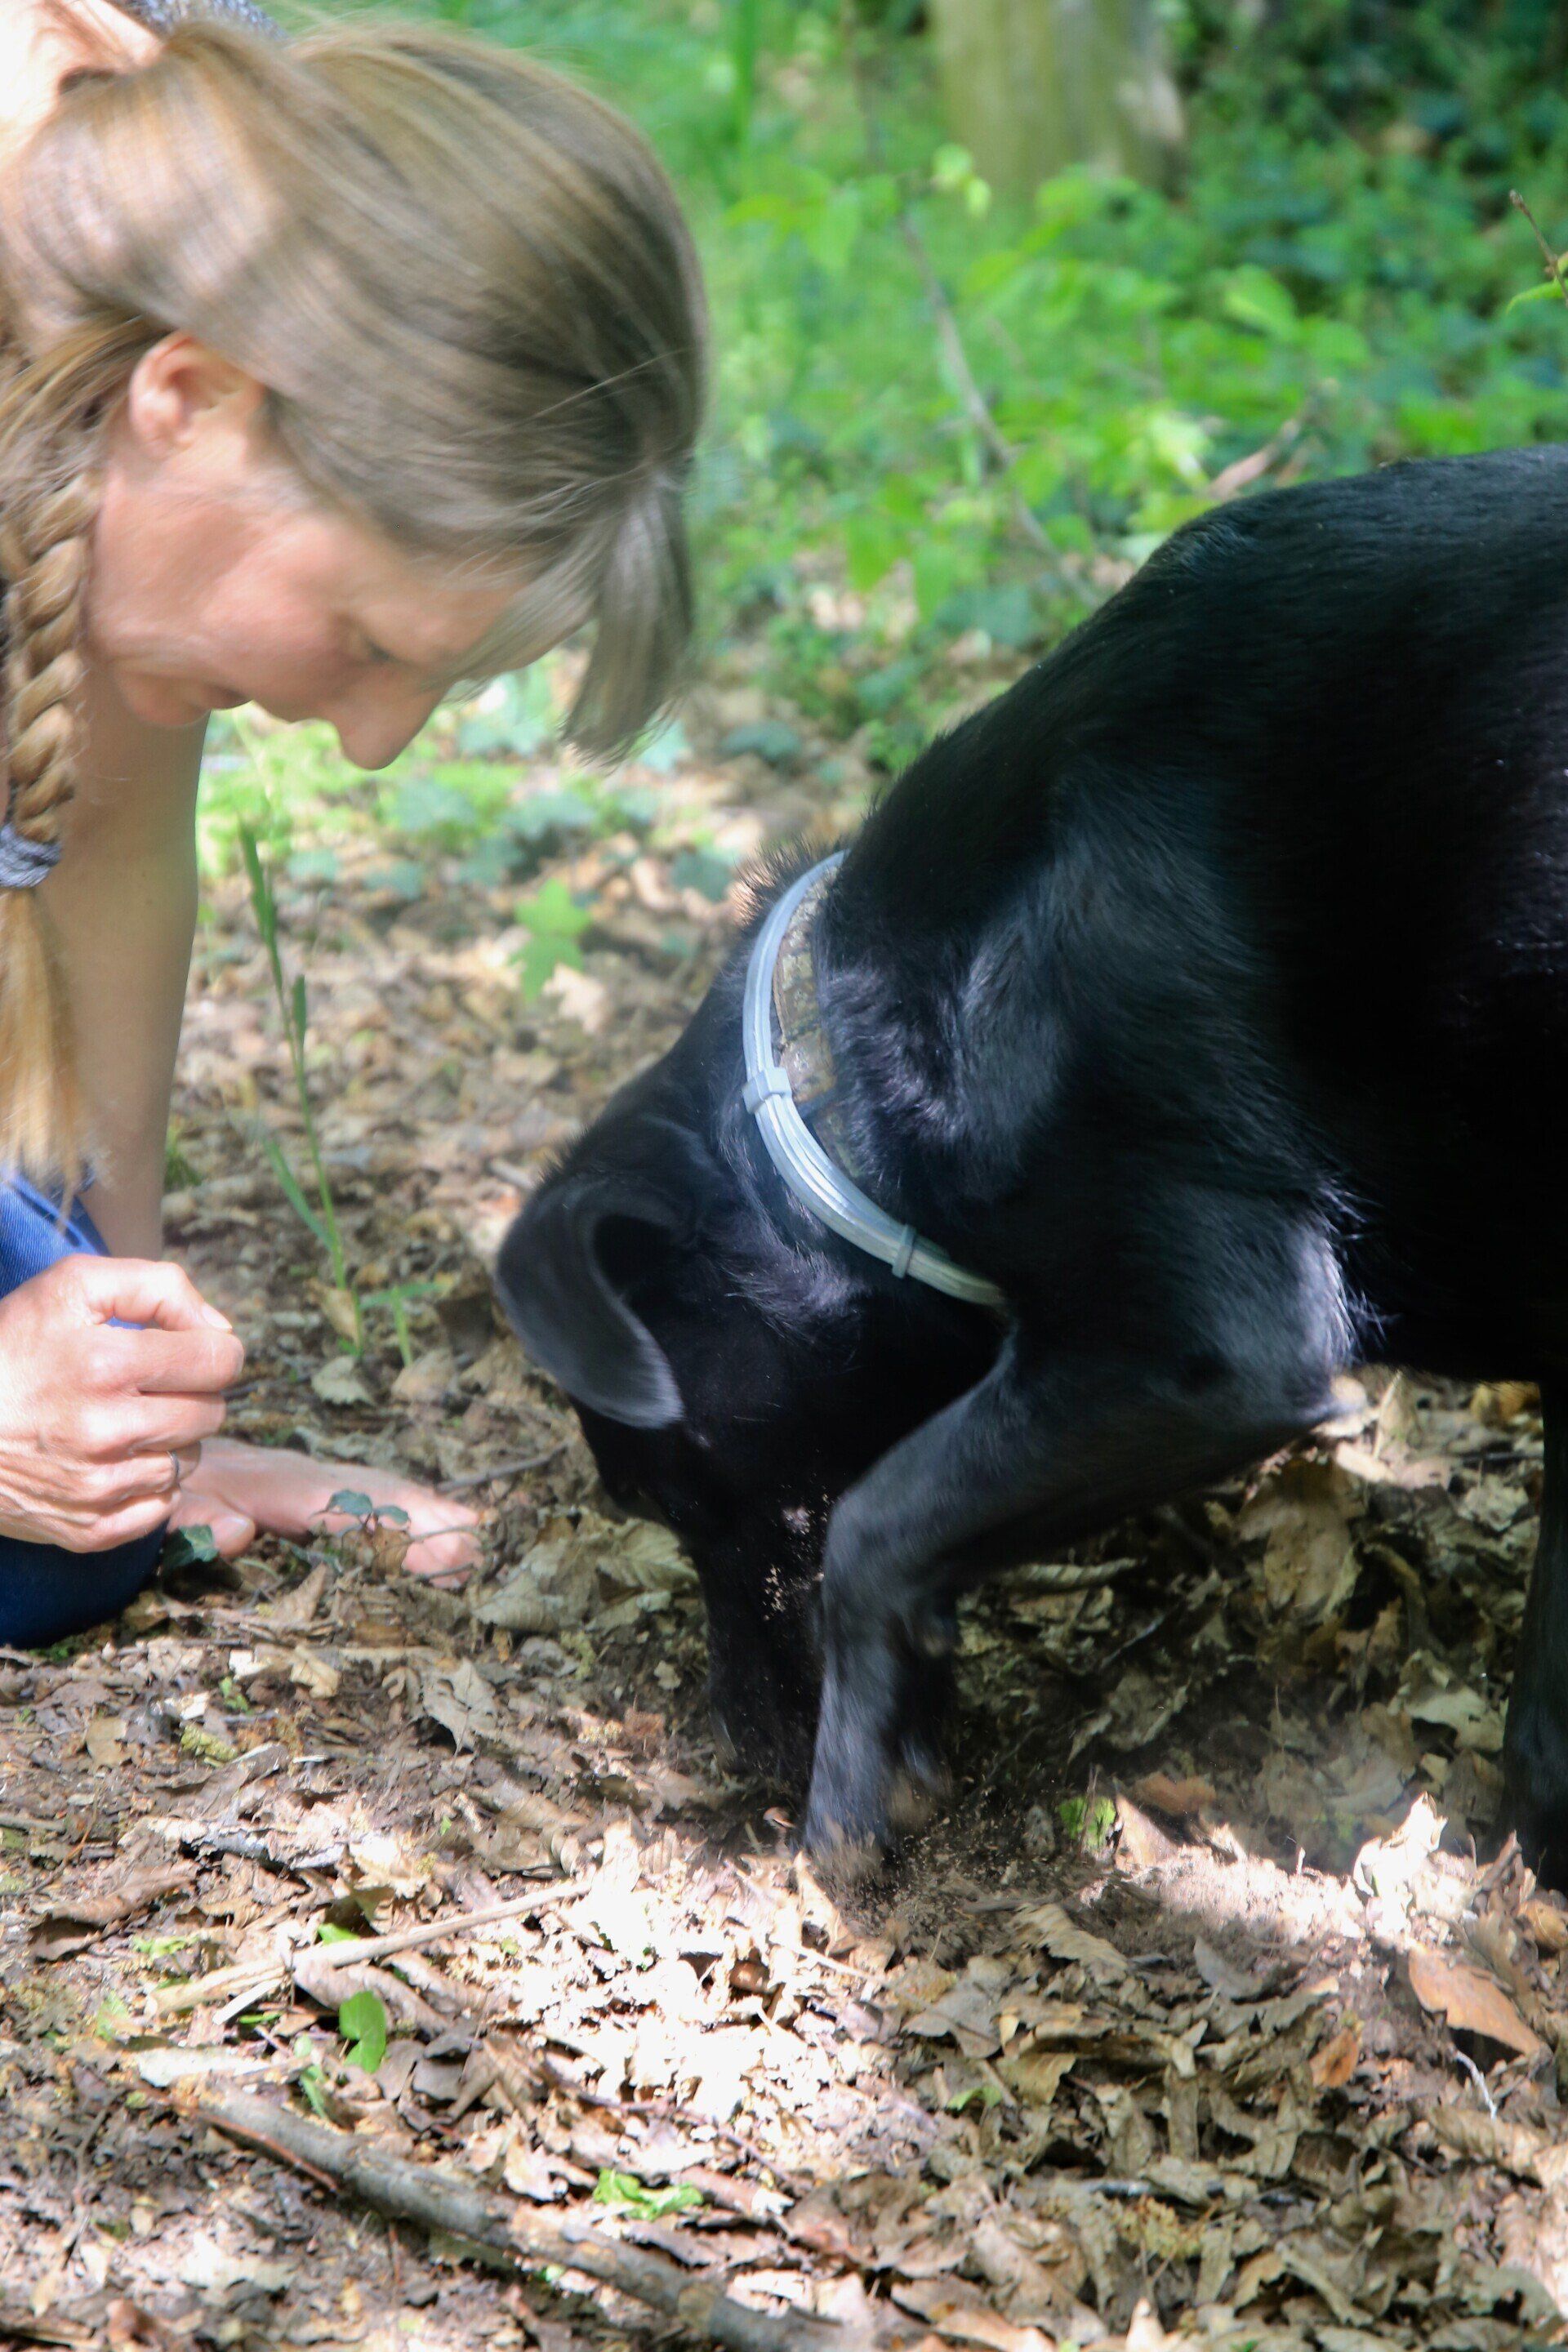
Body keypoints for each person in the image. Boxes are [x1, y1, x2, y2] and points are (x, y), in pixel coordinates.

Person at [0, 0, 706, 1645]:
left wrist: (120, 1372)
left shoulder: (185, 222)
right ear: (192, 399)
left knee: (75, 1539)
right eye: (374, 647)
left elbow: (99, 832)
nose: (375, 742)